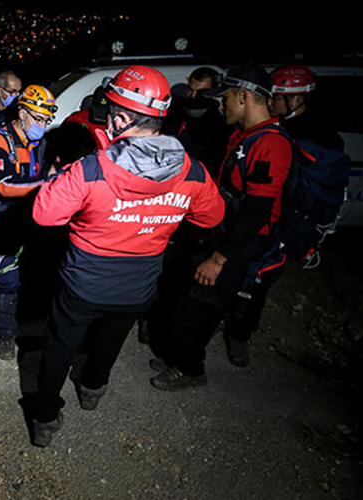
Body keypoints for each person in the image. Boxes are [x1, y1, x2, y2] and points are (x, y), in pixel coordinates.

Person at [28, 66, 224, 446]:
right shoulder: (192, 172)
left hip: (83, 284)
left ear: (119, 118)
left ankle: (45, 419)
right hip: (138, 286)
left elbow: (43, 213)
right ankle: (93, 391)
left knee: (60, 345)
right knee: (110, 339)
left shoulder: (89, 170)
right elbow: (213, 217)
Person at [150, 64, 293, 388]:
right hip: (221, 230)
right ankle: (177, 352)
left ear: (243, 96)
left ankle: (190, 369)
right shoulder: (244, 135)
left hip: (240, 241)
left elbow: (257, 212)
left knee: (201, 303)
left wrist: (219, 258)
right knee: (187, 295)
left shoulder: (271, 144)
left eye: (225, 97)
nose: (220, 104)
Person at [0, 84, 57, 360]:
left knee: (32, 277)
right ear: (21, 113)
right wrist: (49, 182)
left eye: (46, 120)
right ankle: (5, 333)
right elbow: (4, 185)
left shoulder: (38, 144)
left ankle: (31, 321)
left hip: (29, 219)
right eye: (38, 118)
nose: (42, 125)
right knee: (6, 283)